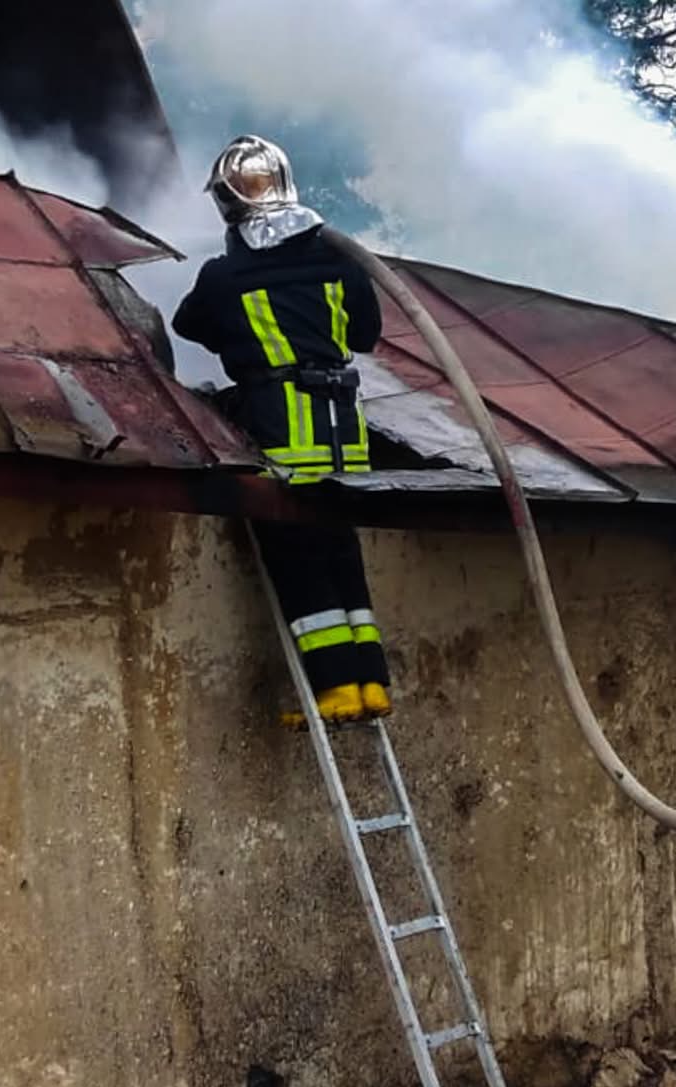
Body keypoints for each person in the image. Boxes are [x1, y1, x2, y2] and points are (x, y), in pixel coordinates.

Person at [171, 135, 391, 727]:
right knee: (340, 547)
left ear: (226, 201)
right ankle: (370, 683)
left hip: (285, 428)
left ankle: (332, 691)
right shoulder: (338, 260)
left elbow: (188, 324)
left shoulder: (225, 275)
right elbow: (367, 334)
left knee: (295, 554)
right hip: (346, 430)